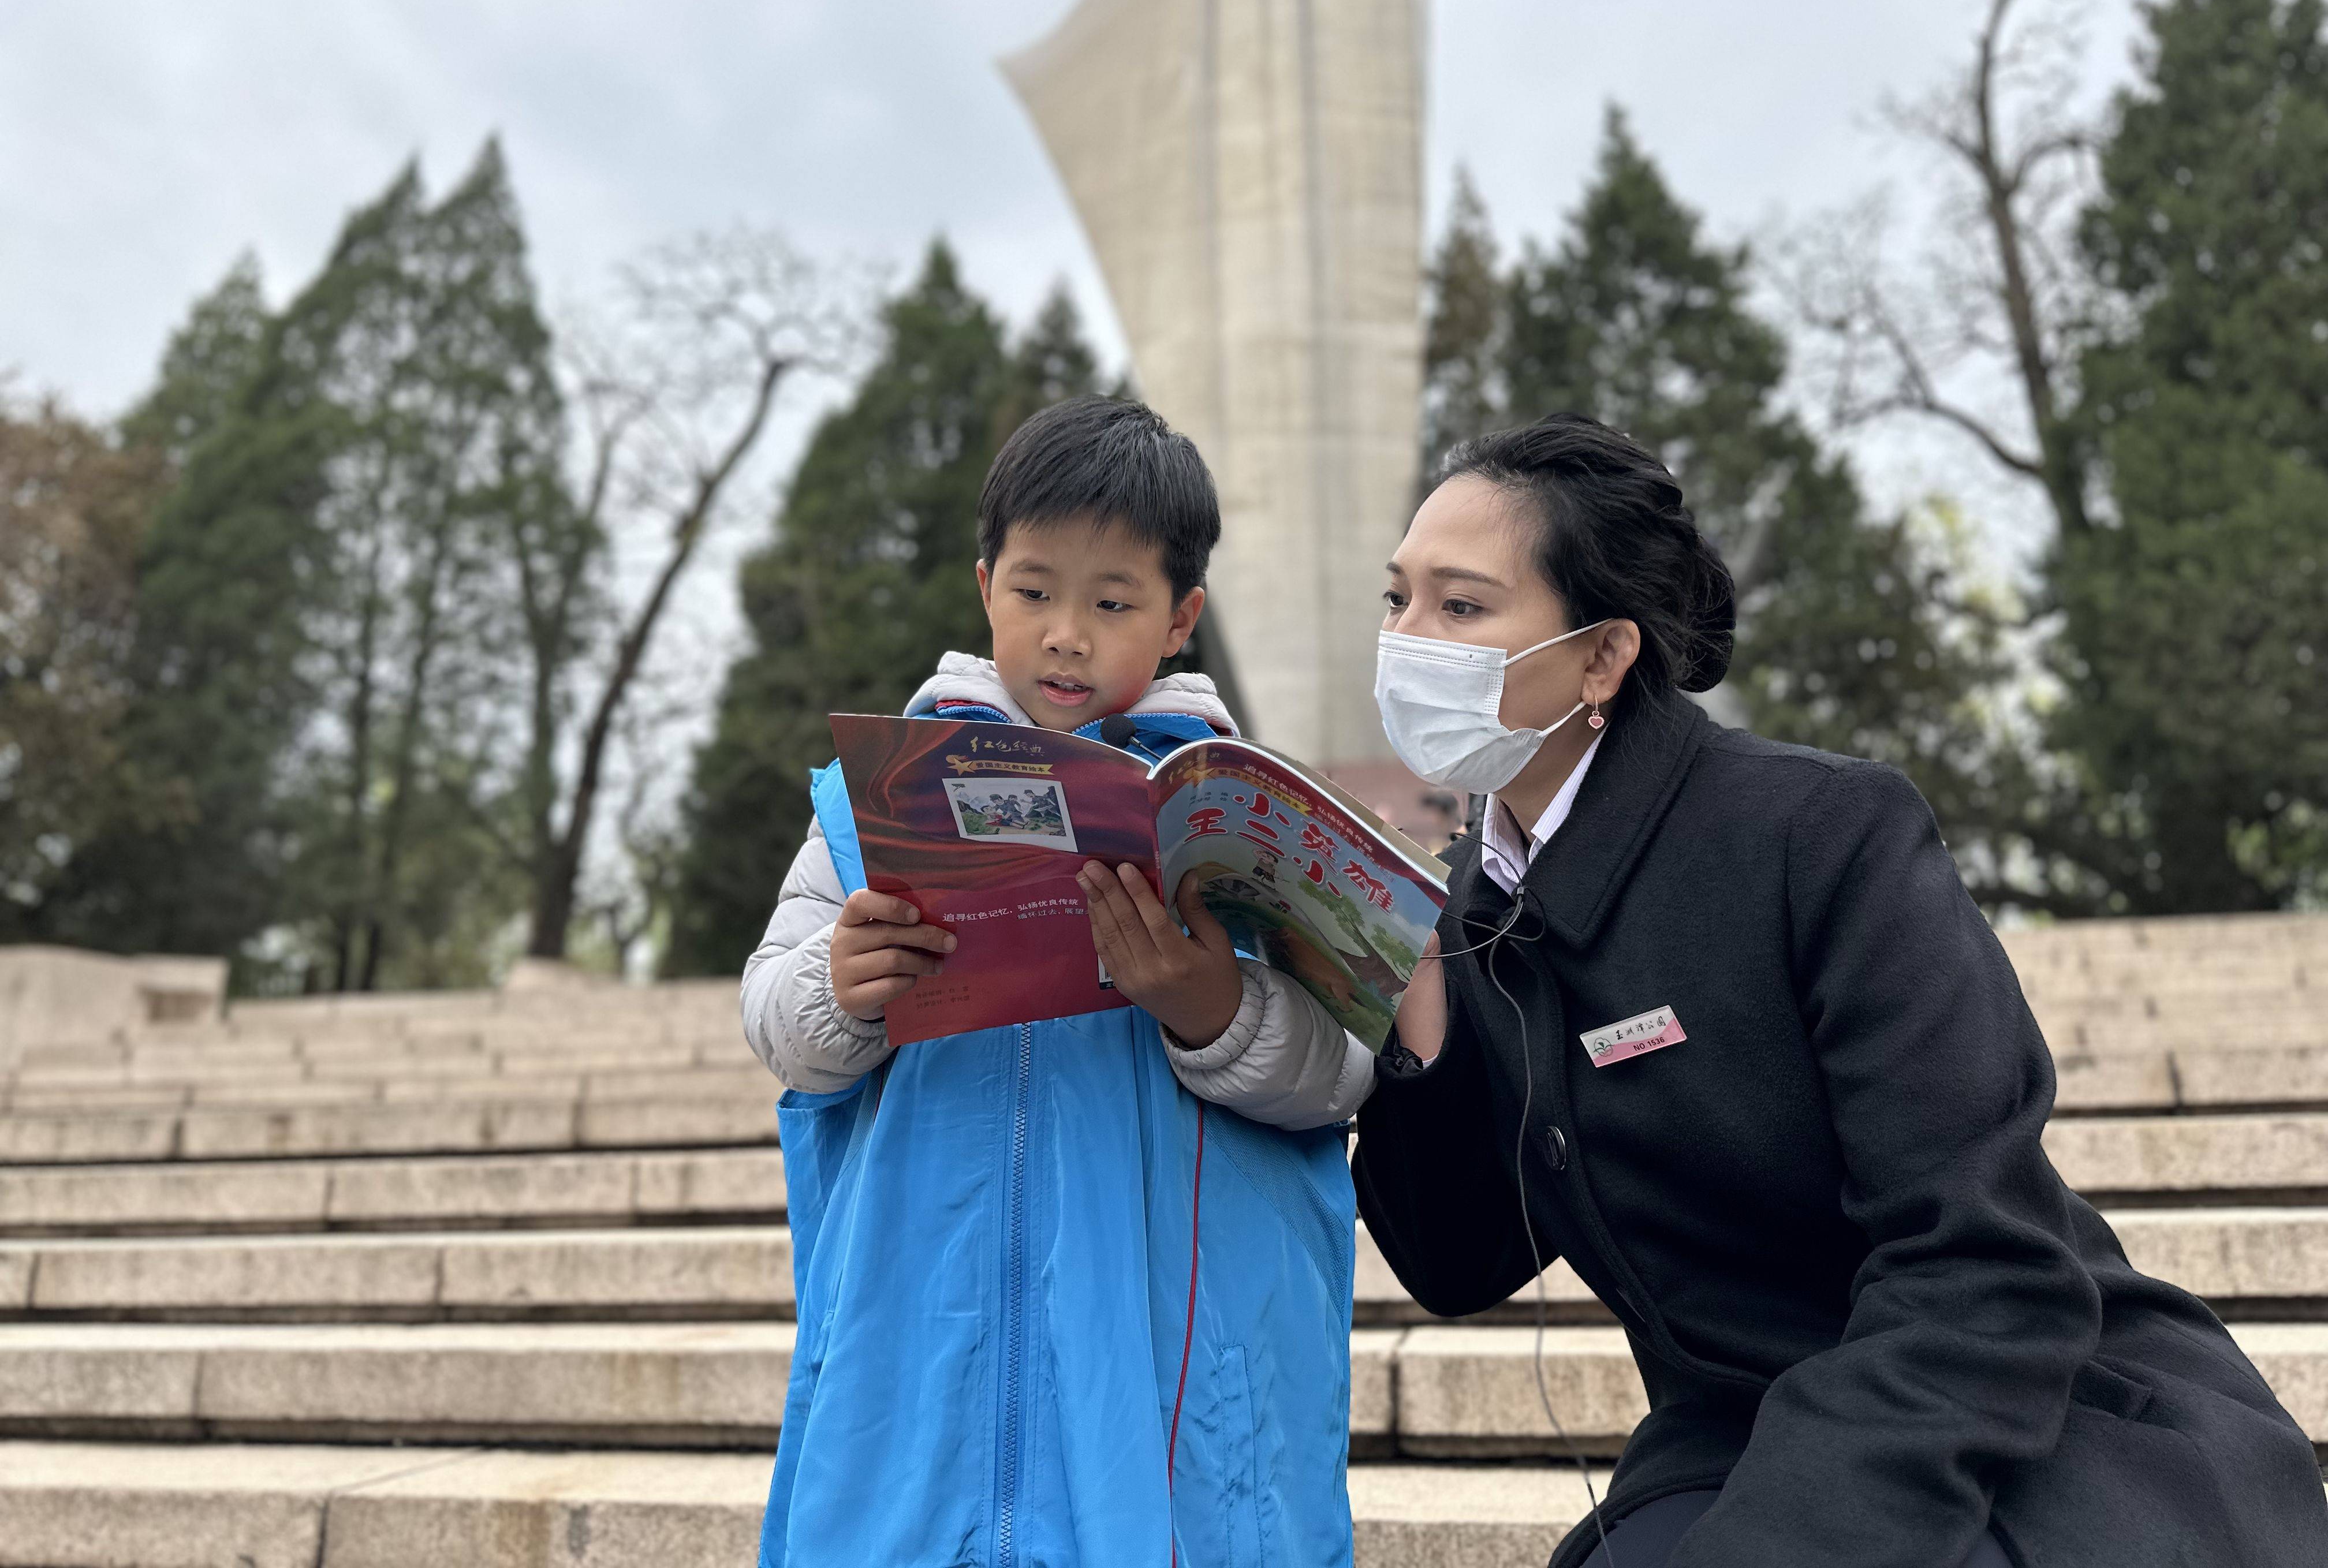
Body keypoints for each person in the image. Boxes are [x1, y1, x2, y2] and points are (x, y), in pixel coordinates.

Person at [1352, 414, 2328, 1568]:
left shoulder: (1819, 833)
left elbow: (1984, 1268)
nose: (1409, 641)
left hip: (2024, 1421)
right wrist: (1416, 1024)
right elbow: (1460, 1266)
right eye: (1398, 599)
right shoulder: (1469, 903)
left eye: (1462, 608)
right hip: (1732, 1440)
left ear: (1603, 657)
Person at [743, 395, 1370, 1567]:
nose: (1067, 634)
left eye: (1113, 601)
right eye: (1035, 592)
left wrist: (1210, 1008)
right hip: (919, 1355)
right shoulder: (870, 807)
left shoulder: (1239, 819)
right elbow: (776, 1020)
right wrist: (844, 989)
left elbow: (1343, 1070)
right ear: (985, 588)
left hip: (1161, 1377)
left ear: (1182, 617)